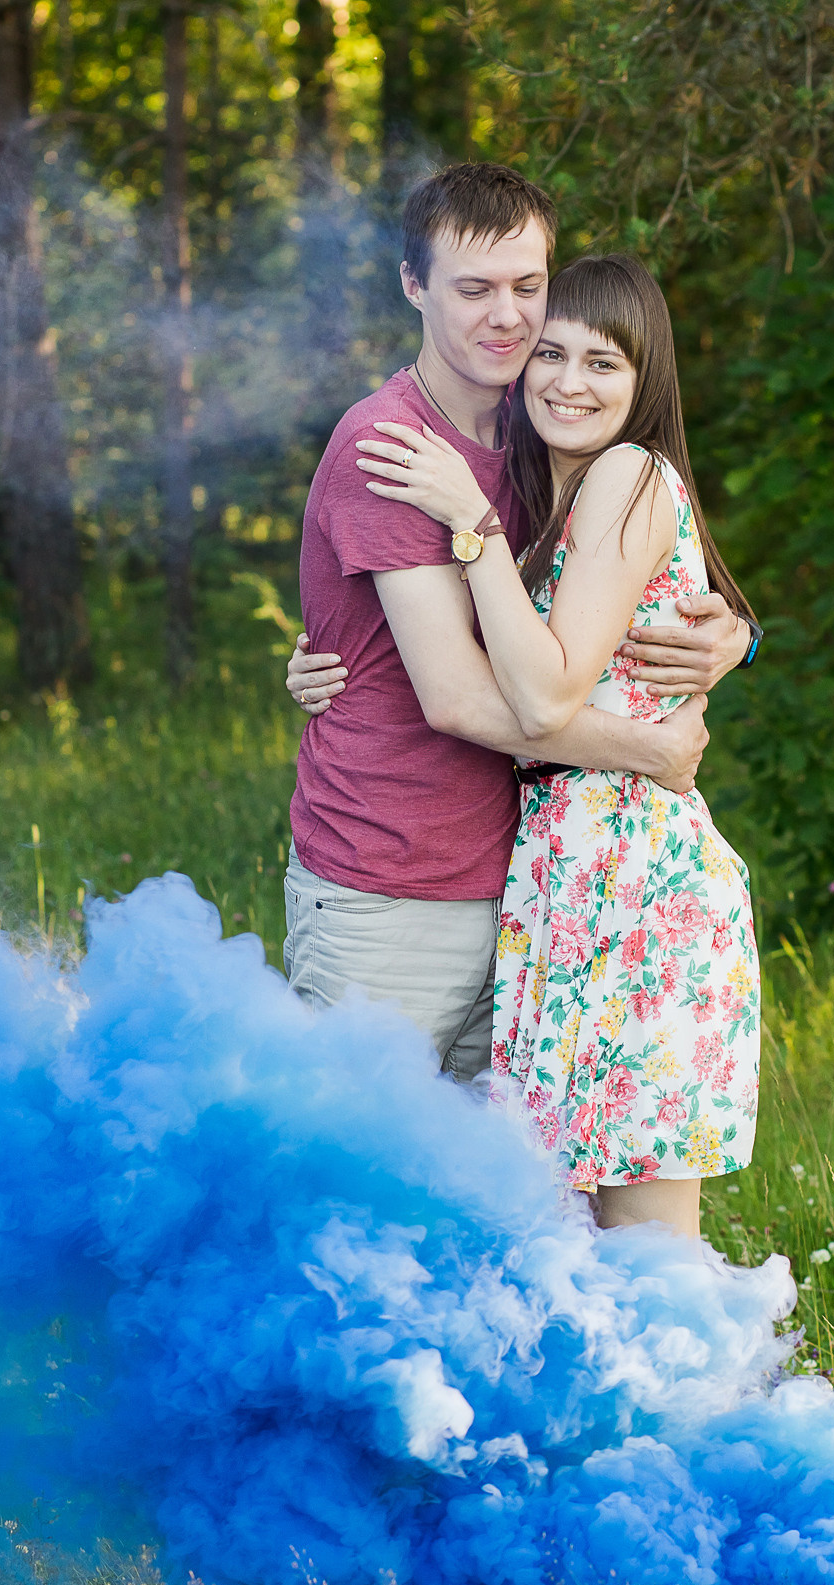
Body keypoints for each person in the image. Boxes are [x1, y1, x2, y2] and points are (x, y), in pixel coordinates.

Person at [281, 164, 751, 1090]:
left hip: (530, 887)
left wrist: (734, 633)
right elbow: (458, 698)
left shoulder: (544, 431)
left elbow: (627, 585)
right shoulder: (392, 448)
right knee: (348, 1193)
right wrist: (647, 751)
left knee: (495, 1207)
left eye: (527, 288)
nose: (507, 316)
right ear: (413, 286)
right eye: (473, 289)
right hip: (389, 886)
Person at [347, 252, 760, 1240]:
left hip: (633, 873)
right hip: (569, 868)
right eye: (552, 354)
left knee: (647, 1227)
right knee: (575, 1222)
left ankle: (702, 1395)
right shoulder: (566, 498)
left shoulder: (623, 473)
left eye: (603, 364)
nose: (569, 382)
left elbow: (543, 695)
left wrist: (471, 525)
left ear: (644, 381)